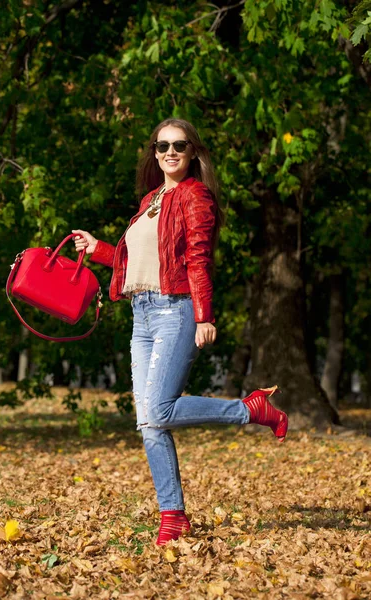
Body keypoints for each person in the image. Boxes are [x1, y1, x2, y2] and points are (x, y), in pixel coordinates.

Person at [72, 118, 288, 546]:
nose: (170, 152)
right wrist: (97, 248)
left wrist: (204, 314)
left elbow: (197, 258)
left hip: (177, 309)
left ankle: (251, 410)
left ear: (193, 152)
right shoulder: (150, 200)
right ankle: (173, 516)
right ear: (153, 152)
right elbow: (137, 263)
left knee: (159, 409)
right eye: (162, 145)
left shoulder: (195, 196)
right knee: (149, 422)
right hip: (143, 313)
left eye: (179, 145)